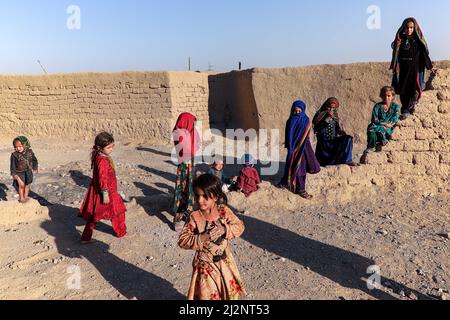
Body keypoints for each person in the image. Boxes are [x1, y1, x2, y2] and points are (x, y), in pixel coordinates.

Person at [178, 174, 246, 300]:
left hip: (225, 262)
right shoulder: (195, 217)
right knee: (208, 295)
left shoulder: (223, 211)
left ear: (215, 196)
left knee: (226, 293)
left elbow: (240, 226)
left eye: (205, 196)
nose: (199, 200)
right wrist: (202, 237)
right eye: (197, 195)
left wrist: (225, 229)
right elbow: (182, 240)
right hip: (205, 266)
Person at [79, 132, 127, 243]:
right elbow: (102, 178)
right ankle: (121, 232)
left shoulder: (98, 155)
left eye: (112, 147)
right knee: (118, 212)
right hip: (107, 192)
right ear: (100, 147)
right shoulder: (103, 161)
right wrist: (105, 194)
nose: (111, 149)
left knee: (94, 215)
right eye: (108, 147)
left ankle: (85, 238)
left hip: (98, 190)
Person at [390, 17, 438, 120]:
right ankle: (405, 110)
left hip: (415, 69)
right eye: (407, 27)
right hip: (403, 69)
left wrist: (430, 67)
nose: (409, 30)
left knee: (413, 90)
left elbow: (424, 55)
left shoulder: (417, 41)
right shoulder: (401, 41)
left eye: (411, 27)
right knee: (403, 90)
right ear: (403, 28)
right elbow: (396, 53)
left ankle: (409, 109)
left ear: (414, 28)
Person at [279, 100, 321, 200]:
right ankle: (296, 187)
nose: (297, 113)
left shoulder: (306, 120)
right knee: (296, 167)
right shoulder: (290, 121)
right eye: (295, 111)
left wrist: (304, 145)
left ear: (303, 110)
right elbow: (289, 136)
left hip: (304, 148)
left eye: (299, 111)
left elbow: (306, 134)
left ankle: (300, 188)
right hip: (294, 149)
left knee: (302, 169)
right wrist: (291, 148)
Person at [172, 112, 200, 231]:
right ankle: (178, 216)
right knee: (182, 188)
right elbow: (185, 150)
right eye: (192, 123)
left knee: (190, 187)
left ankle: (188, 211)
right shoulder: (180, 133)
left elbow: (196, 144)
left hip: (190, 164)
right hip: (184, 165)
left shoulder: (191, 132)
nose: (194, 125)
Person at [312, 97, 357, 167]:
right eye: (329, 107)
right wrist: (327, 118)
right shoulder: (320, 115)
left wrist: (341, 132)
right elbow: (318, 127)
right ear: (326, 106)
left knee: (348, 138)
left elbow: (336, 128)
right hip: (324, 142)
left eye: (333, 108)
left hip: (333, 140)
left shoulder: (335, 116)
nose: (331, 109)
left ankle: (347, 160)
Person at [365, 86, 400, 154]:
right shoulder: (377, 106)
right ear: (381, 96)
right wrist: (384, 123)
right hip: (379, 125)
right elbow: (374, 119)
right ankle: (371, 147)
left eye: (388, 96)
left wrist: (389, 124)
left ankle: (383, 140)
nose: (386, 97)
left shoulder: (395, 106)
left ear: (392, 96)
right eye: (384, 95)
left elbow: (395, 117)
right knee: (371, 129)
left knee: (379, 129)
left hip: (389, 127)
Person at [10, 136, 38, 203]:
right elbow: (12, 165)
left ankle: (25, 196)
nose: (18, 148)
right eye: (16, 147)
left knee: (27, 184)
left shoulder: (30, 152)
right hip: (19, 172)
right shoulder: (14, 155)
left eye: (20, 146)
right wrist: (14, 174)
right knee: (21, 185)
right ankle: (21, 198)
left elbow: (34, 160)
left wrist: (35, 167)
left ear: (25, 145)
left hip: (28, 171)